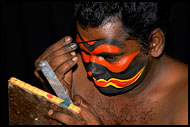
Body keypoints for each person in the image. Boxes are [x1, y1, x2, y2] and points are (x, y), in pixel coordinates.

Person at [34, 2, 188, 125]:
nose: (91, 70)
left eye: (109, 57)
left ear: (153, 43)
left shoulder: (183, 103)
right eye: (85, 51)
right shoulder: (70, 74)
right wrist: (54, 99)